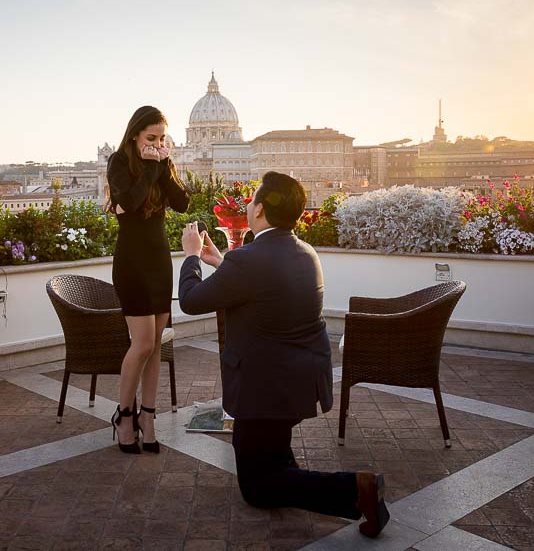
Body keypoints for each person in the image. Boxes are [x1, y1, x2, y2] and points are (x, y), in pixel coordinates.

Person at [178, 172, 389, 538]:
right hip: (300, 380)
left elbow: (192, 301)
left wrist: (192, 257)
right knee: (268, 457)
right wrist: (222, 263)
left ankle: (358, 489)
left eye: (252, 199)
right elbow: (263, 286)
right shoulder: (303, 251)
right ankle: (289, 469)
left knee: (258, 489)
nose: (247, 204)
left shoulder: (248, 260)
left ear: (259, 209)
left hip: (266, 388)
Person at [106, 105, 190, 453]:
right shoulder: (119, 162)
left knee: (156, 346)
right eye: (150, 138)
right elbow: (131, 201)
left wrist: (164, 168)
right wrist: (153, 167)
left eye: (161, 139)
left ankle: (148, 417)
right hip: (133, 261)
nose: (157, 144)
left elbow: (182, 203)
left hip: (159, 260)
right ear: (135, 135)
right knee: (141, 344)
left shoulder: (163, 165)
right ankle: (125, 416)